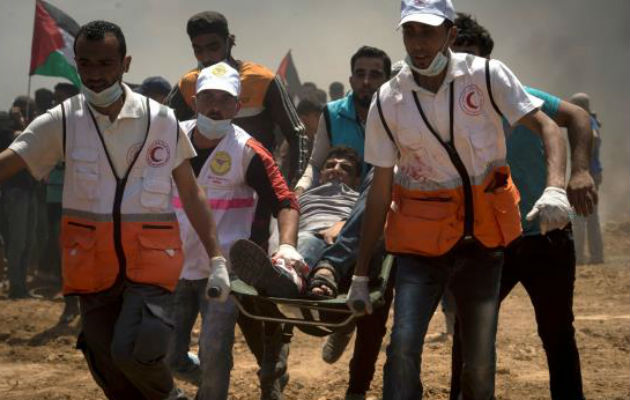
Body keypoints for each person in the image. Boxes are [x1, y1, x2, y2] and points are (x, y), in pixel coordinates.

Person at [345, 1, 572, 399]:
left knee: (479, 362)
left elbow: (549, 128)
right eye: (410, 31)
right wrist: (362, 275)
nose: (418, 43)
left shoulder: (486, 77)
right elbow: (380, 189)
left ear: (450, 35)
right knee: (402, 348)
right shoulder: (388, 100)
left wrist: (555, 188)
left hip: (483, 244)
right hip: (419, 244)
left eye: (428, 32)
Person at [0, 20, 226, 400]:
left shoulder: (160, 119)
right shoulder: (64, 120)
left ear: (126, 63)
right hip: (91, 268)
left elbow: (191, 192)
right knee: (108, 368)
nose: (96, 74)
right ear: (76, 64)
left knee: (134, 349)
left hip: (151, 266)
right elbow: (10, 162)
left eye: (106, 64)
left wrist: (217, 256)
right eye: (86, 64)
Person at [448, 13, 597, 400]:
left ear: (487, 61)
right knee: (470, 332)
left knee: (556, 332)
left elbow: (577, 117)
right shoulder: (439, 109)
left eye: (471, 54)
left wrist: (579, 173)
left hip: (543, 233)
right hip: (485, 240)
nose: (463, 64)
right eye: (455, 54)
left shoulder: (515, 95)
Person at [168, 62, 302, 400]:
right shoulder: (168, 140)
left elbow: (285, 201)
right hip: (171, 268)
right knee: (168, 356)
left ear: (237, 106)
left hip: (223, 272)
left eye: (224, 99)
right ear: (194, 101)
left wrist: (287, 246)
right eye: (208, 98)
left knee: (215, 352)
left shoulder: (248, 151)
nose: (215, 106)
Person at [166, 11, 307, 186]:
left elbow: (296, 134)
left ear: (229, 42)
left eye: (213, 47)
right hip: (204, 189)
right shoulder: (187, 84)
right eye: (198, 50)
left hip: (257, 186)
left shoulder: (262, 80)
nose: (206, 57)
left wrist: (291, 186)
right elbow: (162, 133)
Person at [230, 145, 361, 298]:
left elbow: (369, 220)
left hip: (343, 242)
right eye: (330, 165)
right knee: (300, 238)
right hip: (303, 239)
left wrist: (344, 224)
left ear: (357, 180)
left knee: (307, 239)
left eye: (345, 168)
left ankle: (287, 277)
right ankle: (282, 273)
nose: (336, 169)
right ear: (320, 176)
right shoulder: (298, 199)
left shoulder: (360, 200)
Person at [295, 45, 391, 194]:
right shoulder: (331, 114)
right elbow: (315, 165)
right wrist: (299, 192)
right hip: (340, 204)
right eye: (360, 74)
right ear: (351, 80)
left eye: (374, 75)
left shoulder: (398, 114)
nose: (366, 81)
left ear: (387, 81)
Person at [1, 96, 38, 299]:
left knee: (28, 241)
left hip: (29, 190)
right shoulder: (6, 128)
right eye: (26, 110)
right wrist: (21, 124)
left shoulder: (31, 129)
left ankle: (21, 285)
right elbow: (14, 144)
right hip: (15, 192)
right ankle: (15, 285)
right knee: (17, 241)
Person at [570, 92, 604, 265]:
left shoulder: (585, 122)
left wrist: (581, 170)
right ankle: (596, 256)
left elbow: (593, 140)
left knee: (580, 215)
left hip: (588, 175)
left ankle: (580, 257)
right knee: (590, 216)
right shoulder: (591, 121)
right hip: (593, 174)